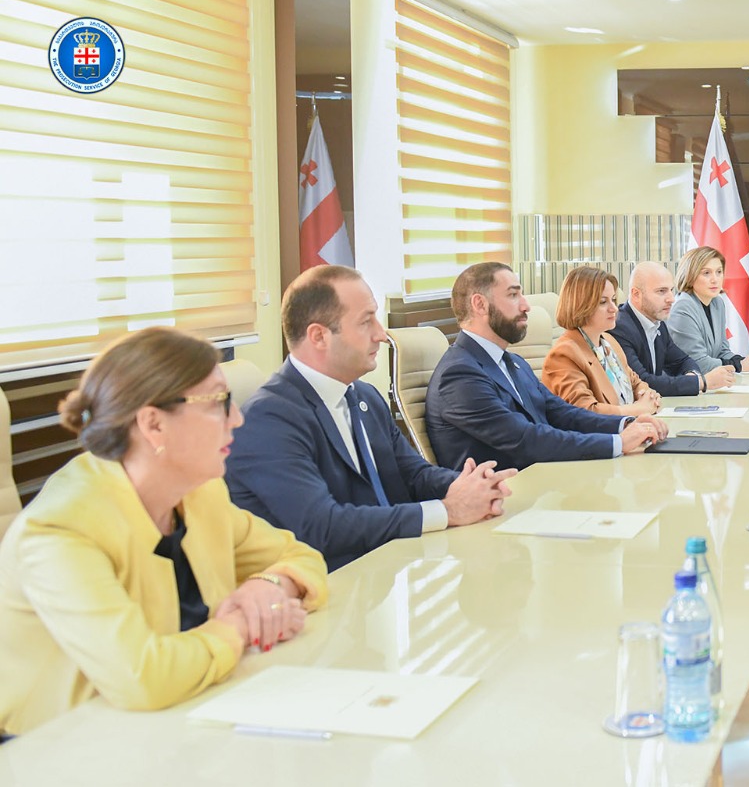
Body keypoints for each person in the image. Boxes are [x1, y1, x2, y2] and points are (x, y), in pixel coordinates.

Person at [0, 328, 328, 736]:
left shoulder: (199, 493)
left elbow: (302, 556)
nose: (238, 418)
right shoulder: (58, 532)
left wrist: (268, 585)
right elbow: (142, 677)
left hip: (181, 715)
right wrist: (242, 626)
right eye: (219, 402)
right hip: (58, 746)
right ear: (153, 424)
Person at [226, 266, 515, 571]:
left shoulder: (365, 397)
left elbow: (413, 474)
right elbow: (323, 527)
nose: (381, 334)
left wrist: (470, 485)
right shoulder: (269, 419)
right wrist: (447, 511)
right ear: (319, 336)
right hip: (327, 584)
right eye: (366, 322)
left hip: (386, 569)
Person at [427, 262, 665, 470]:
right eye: (513, 295)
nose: (526, 306)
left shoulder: (514, 363)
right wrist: (619, 442)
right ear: (480, 304)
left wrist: (626, 424)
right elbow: (526, 439)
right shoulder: (460, 374)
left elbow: (563, 413)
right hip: (507, 494)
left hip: (542, 479)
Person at [542, 266, 662, 416]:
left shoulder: (609, 341)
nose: (614, 308)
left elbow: (635, 383)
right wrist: (637, 409)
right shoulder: (564, 354)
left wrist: (647, 396)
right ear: (580, 305)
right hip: (601, 431)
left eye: (613, 300)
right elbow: (584, 411)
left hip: (632, 426)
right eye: (602, 302)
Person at [612, 261, 735, 397]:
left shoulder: (658, 323)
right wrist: (702, 382)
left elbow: (683, 361)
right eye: (661, 291)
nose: (671, 299)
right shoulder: (619, 327)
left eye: (671, 290)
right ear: (636, 294)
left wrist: (692, 375)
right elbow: (642, 382)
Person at [666, 246, 749, 374]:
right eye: (706, 273)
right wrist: (740, 365)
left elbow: (722, 351)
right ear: (690, 275)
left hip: (709, 381)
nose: (715, 279)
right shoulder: (683, 306)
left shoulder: (717, 303)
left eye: (719, 272)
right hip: (685, 382)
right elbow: (697, 363)